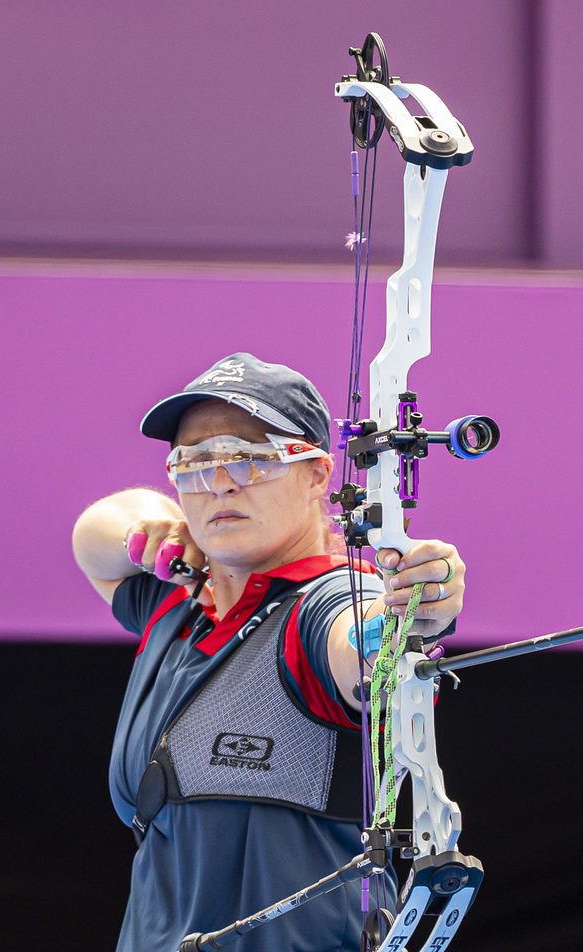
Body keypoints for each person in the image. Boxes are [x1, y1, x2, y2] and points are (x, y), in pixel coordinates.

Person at [72, 353, 466, 952]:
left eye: (253, 458)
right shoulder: (176, 601)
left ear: (317, 475)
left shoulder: (326, 602)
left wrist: (413, 610)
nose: (221, 482)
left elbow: (359, 648)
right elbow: (93, 537)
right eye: (195, 462)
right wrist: (158, 525)